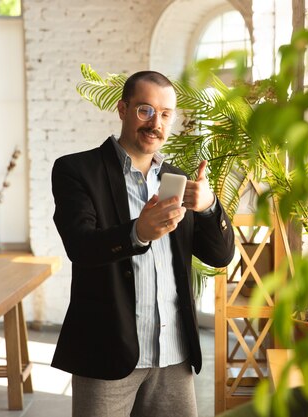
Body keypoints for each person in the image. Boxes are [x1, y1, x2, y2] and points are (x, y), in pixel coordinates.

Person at [50, 70, 235, 417]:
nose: (156, 123)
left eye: (165, 114)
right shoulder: (76, 170)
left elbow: (221, 255)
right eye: (145, 110)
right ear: (122, 109)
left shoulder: (177, 180)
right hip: (107, 355)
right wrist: (138, 233)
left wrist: (209, 207)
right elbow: (80, 246)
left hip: (173, 356)